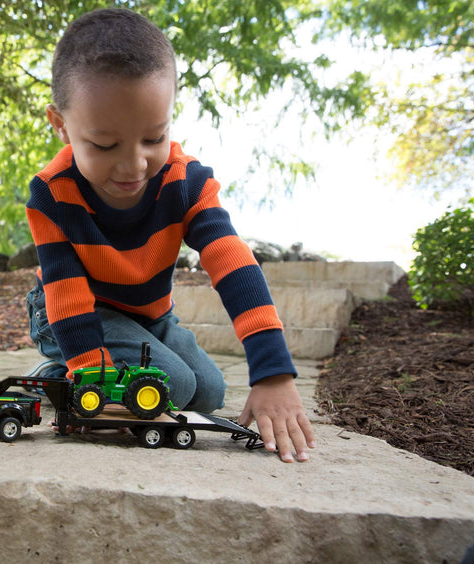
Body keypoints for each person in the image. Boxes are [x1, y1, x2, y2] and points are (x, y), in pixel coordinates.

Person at [25, 7, 315, 462]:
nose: (134, 164)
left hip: (148, 314)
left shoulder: (187, 184)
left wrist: (272, 373)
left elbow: (233, 265)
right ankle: (57, 374)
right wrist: (93, 381)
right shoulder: (51, 195)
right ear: (61, 125)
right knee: (173, 386)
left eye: (154, 137)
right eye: (104, 145)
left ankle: (95, 368)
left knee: (208, 391)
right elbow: (67, 295)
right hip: (70, 311)